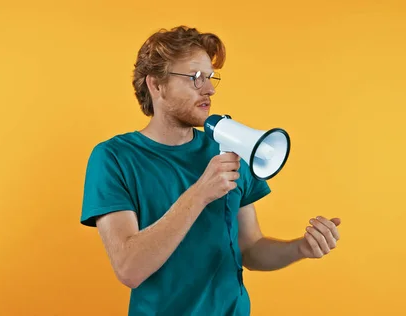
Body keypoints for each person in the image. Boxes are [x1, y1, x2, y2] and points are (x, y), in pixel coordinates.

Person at [80, 25, 342, 316]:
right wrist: (200, 193)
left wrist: (299, 248)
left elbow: (250, 248)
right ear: (156, 85)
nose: (210, 89)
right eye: (195, 78)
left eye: (210, 77)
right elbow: (129, 268)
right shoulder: (114, 158)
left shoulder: (228, 150)